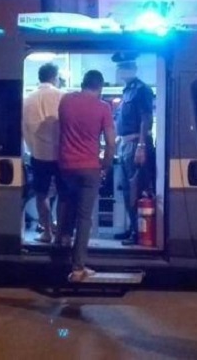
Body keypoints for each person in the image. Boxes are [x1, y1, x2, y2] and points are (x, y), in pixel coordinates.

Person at [58, 70, 116, 282]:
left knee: (68, 205)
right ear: (100, 87)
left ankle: (63, 242)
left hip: (66, 165)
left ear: (83, 83)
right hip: (89, 167)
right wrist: (105, 165)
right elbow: (111, 142)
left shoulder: (65, 101)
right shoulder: (103, 107)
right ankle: (78, 268)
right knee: (84, 218)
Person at [112, 52, 155, 246]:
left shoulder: (141, 90)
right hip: (125, 144)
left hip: (136, 143)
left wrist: (142, 146)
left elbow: (146, 118)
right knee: (127, 190)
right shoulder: (127, 90)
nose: (122, 70)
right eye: (120, 67)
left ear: (134, 69)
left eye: (126, 67)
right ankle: (133, 229)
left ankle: (138, 232)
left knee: (136, 189)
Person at [22, 62, 66, 243]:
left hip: (38, 155)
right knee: (63, 195)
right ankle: (61, 234)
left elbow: (23, 129)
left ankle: (46, 232)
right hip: (62, 155)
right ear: (55, 77)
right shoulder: (62, 96)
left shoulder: (27, 99)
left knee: (42, 195)